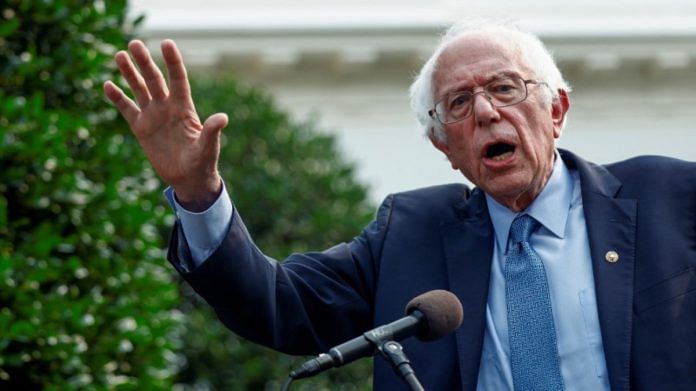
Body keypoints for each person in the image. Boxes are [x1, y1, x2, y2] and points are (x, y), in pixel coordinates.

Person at [104, 20, 695, 391]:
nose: (485, 112)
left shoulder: (669, 198)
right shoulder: (410, 232)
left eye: (505, 88)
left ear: (557, 110)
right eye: (458, 104)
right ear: (445, 147)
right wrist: (197, 193)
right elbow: (278, 305)